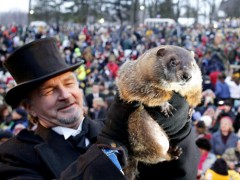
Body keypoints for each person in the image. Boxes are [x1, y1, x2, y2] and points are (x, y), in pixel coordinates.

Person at [0, 38, 199, 179]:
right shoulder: (13, 156)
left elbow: (175, 175)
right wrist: (110, 144)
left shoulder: (109, 126)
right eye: (49, 91)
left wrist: (178, 133)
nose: (65, 95)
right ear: (30, 107)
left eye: (69, 84)